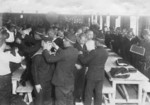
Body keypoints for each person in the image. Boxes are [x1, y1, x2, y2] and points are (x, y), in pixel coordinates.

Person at [42, 32, 78, 105]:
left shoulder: (64, 53)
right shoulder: (75, 51)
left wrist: (45, 49)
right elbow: (65, 54)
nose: (63, 41)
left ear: (68, 42)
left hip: (61, 83)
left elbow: (49, 59)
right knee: (69, 101)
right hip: (70, 82)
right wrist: (56, 47)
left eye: (64, 40)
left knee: (60, 102)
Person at [79, 39, 108, 105]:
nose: (94, 43)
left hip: (92, 75)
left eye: (95, 42)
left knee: (88, 93)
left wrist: (80, 54)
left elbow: (84, 61)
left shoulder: (94, 52)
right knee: (98, 93)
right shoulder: (106, 52)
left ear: (98, 42)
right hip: (100, 75)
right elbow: (97, 60)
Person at [0, 29, 23, 105]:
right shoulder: (5, 55)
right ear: (3, 44)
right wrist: (16, 52)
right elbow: (18, 60)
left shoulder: (5, 54)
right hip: (4, 78)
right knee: (5, 97)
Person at [31, 38, 54, 105]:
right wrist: (37, 84)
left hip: (49, 81)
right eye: (48, 44)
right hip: (40, 82)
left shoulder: (50, 55)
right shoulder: (38, 56)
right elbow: (34, 71)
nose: (50, 46)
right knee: (39, 100)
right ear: (43, 43)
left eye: (51, 44)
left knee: (47, 100)